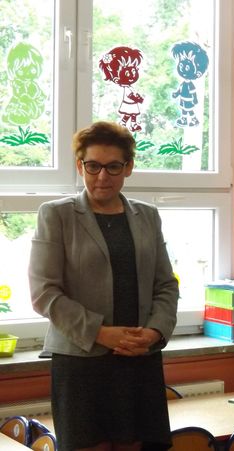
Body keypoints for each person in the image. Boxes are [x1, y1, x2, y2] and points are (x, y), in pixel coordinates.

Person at [29, 121, 179, 451]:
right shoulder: (56, 215)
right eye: (93, 166)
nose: (102, 177)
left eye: (113, 167)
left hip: (138, 358)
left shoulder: (147, 216)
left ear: (129, 167)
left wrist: (154, 333)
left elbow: (166, 285)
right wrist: (100, 332)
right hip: (81, 362)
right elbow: (44, 292)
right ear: (79, 165)